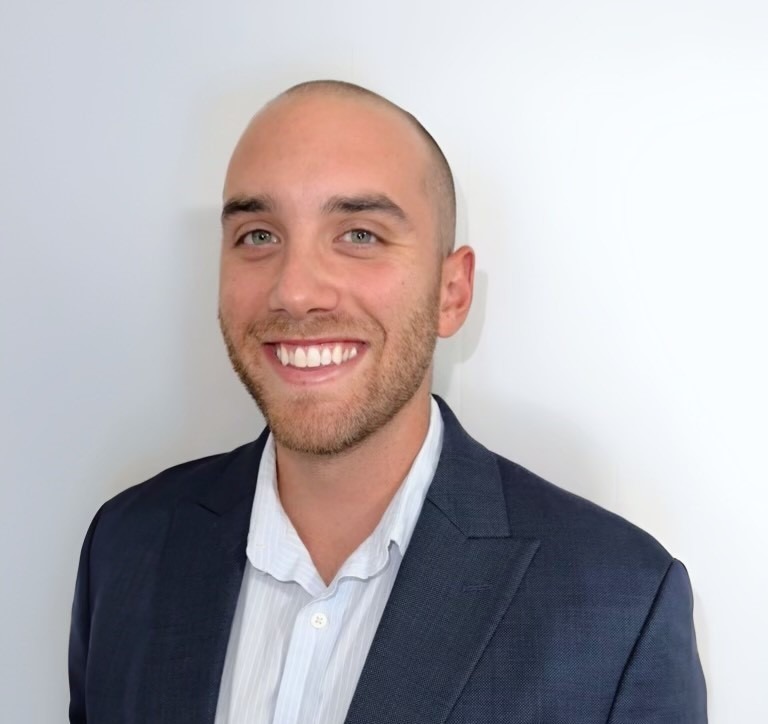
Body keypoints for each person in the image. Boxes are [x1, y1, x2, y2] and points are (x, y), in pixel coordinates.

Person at [69, 80, 707, 723]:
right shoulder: (124, 549)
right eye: (259, 236)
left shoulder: (619, 607)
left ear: (451, 293)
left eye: (360, 235)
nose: (295, 291)